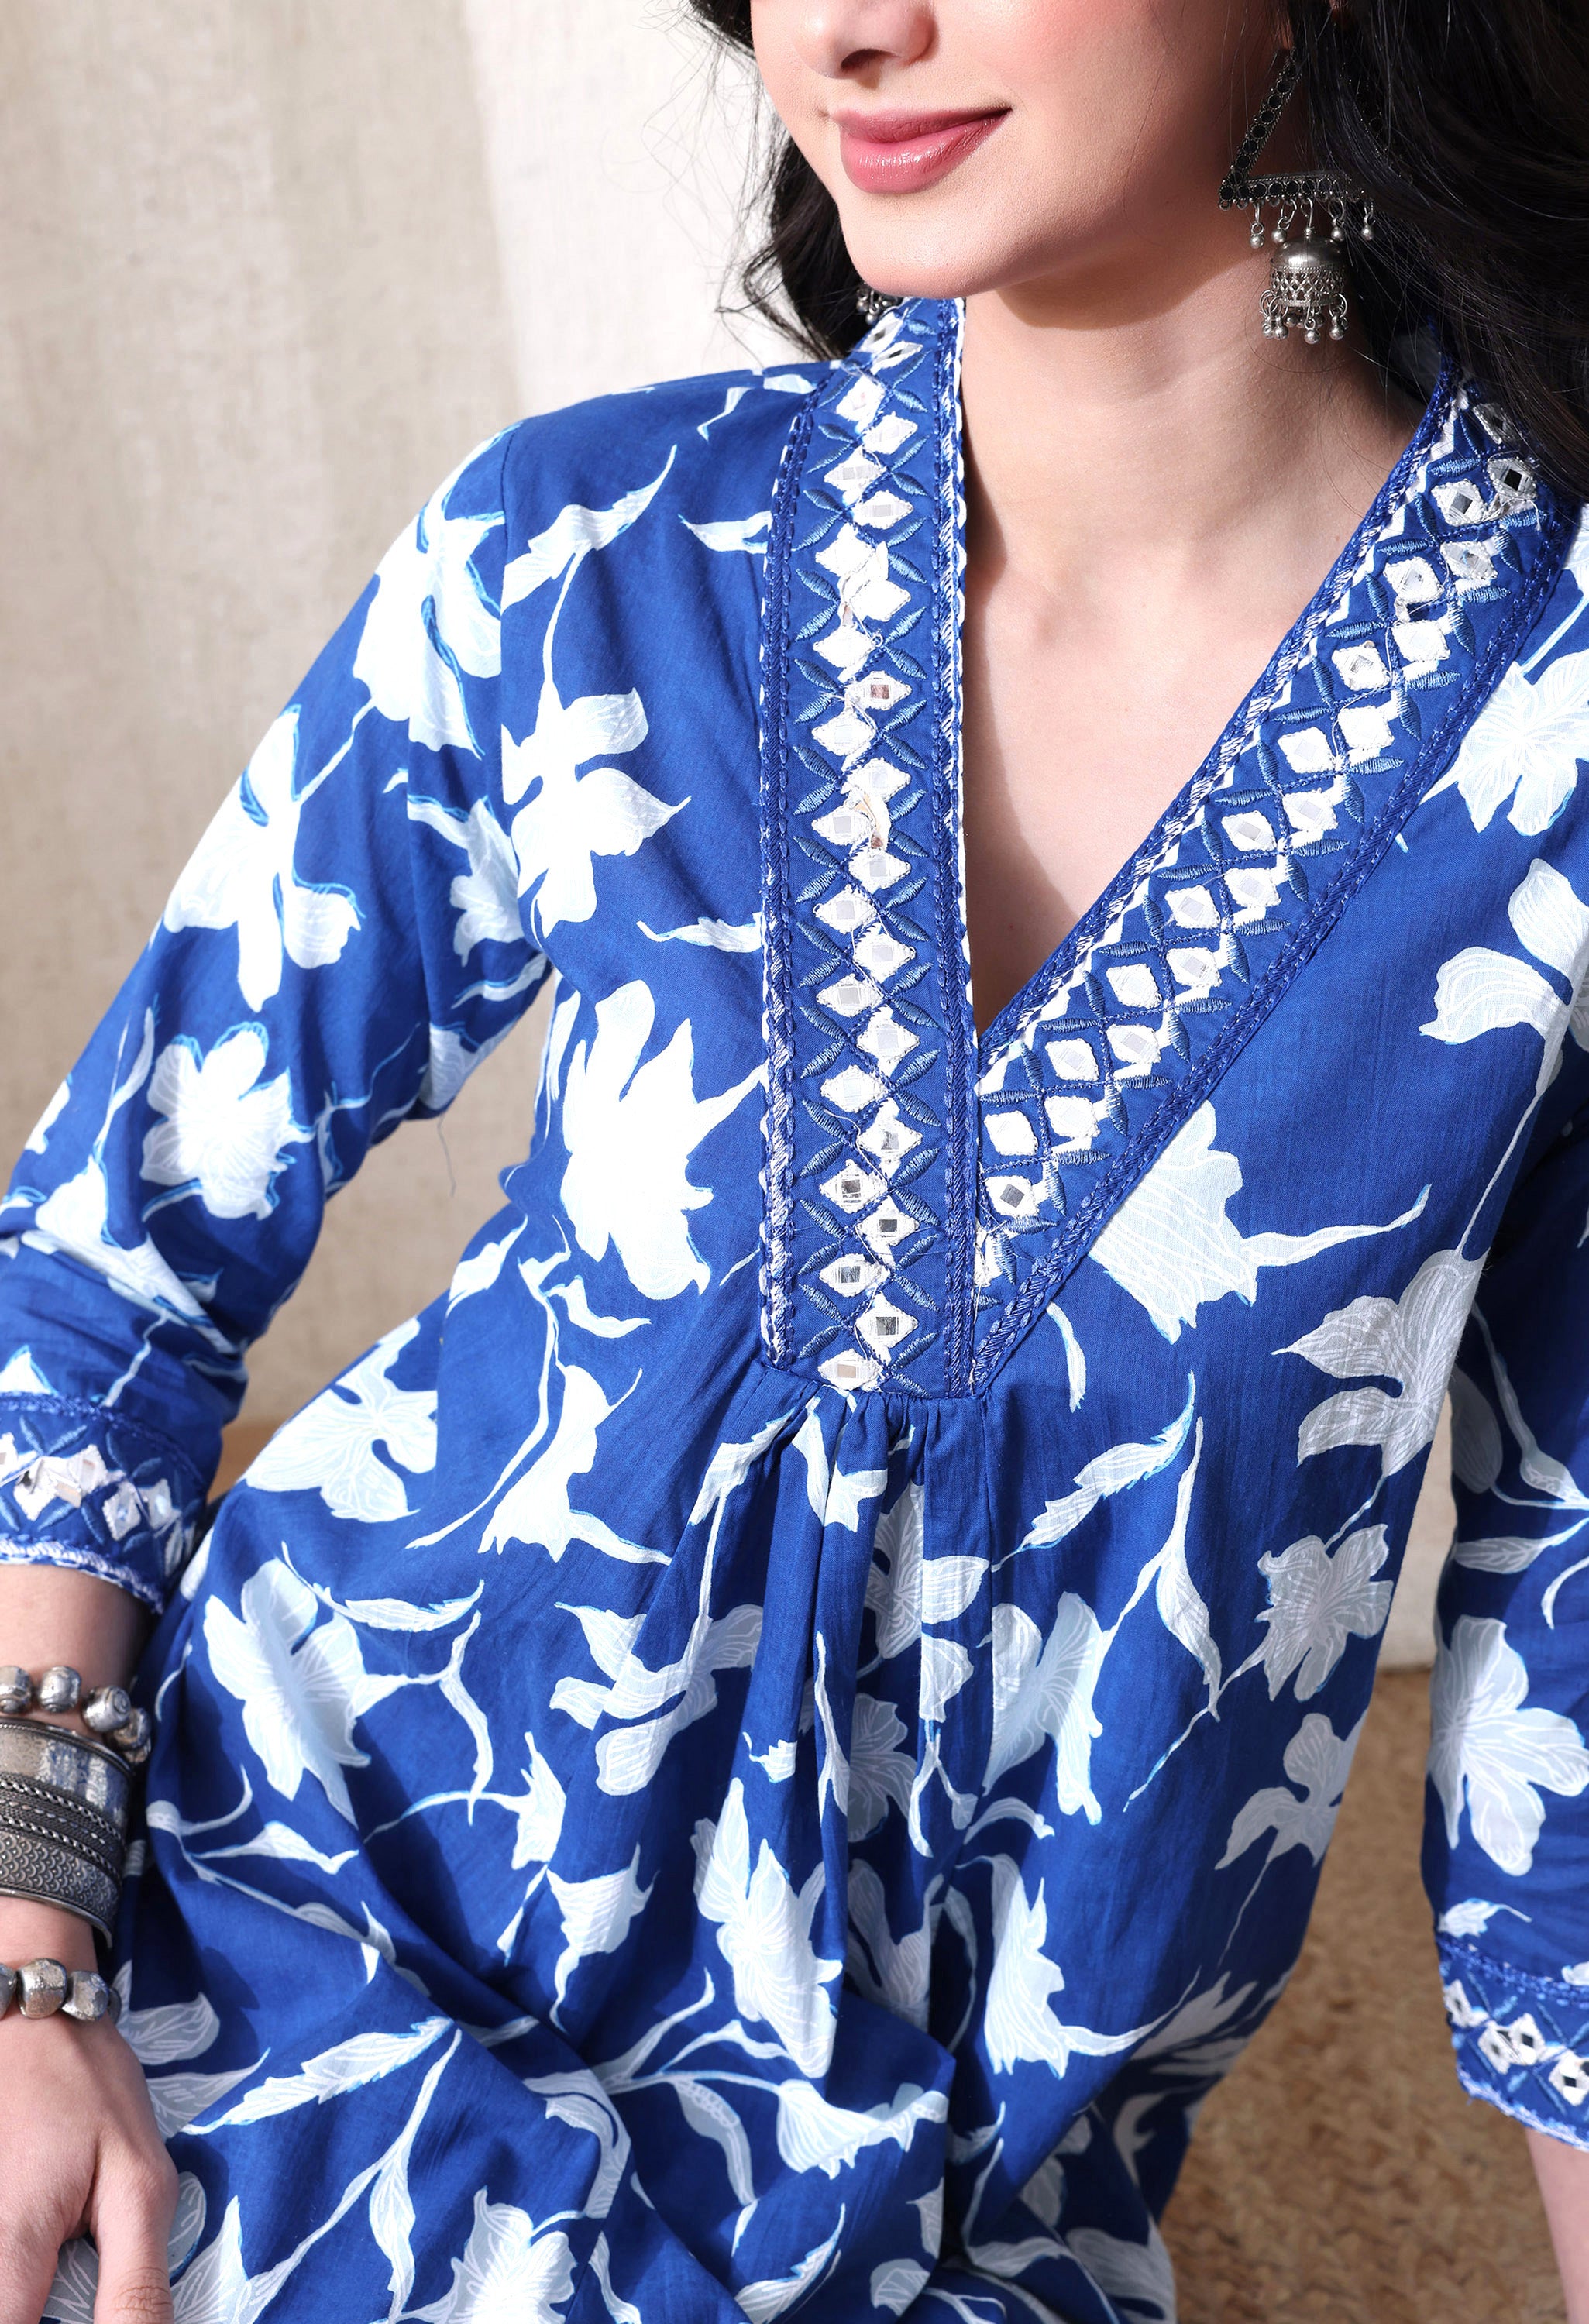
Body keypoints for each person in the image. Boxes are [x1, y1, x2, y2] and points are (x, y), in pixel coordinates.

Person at [2, 0, 1587, 2315]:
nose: (848, 27)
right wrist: (33, 1960)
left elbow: (1568, 1684)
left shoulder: (1550, 745)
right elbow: (106, 1257)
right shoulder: (593, 554)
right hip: (256, 1974)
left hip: (926, 2228)